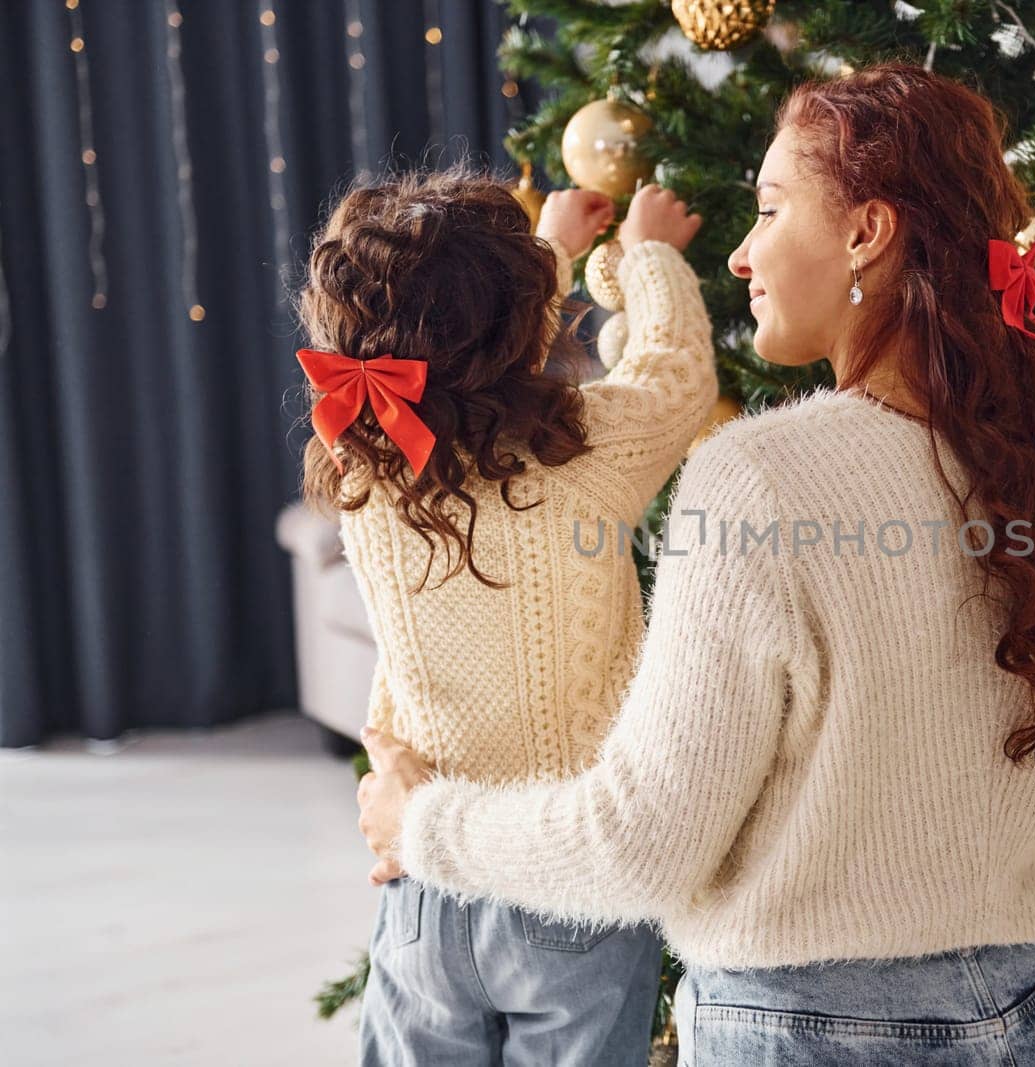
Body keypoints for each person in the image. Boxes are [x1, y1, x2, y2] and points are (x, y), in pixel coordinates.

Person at [357, 64, 1035, 1065]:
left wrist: (420, 821)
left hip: (806, 1029)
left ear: (866, 233)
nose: (744, 255)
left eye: (768, 210)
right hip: (1032, 1004)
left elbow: (639, 846)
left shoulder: (760, 480)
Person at [296, 166, 710, 1065]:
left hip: (424, 869)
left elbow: (456, 334)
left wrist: (548, 249)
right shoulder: (587, 453)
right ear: (530, 323)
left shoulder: (361, 465)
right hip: (570, 876)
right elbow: (674, 377)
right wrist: (645, 257)